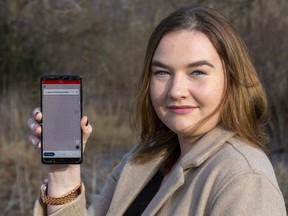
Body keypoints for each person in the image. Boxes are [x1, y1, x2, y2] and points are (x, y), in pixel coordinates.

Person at [27, 4, 287, 216]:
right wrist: (63, 171)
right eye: (162, 72)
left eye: (197, 72)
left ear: (231, 79)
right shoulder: (142, 160)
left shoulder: (244, 179)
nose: (176, 90)